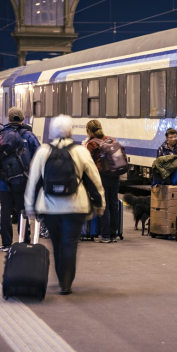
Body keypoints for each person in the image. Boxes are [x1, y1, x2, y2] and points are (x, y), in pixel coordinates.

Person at [25, 115, 105, 295]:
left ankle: (62, 276)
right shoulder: (80, 151)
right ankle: (66, 281)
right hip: (75, 207)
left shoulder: (43, 151)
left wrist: (30, 207)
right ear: (70, 131)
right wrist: (100, 203)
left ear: (52, 131)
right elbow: (94, 180)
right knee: (70, 244)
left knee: (56, 244)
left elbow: (34, 182)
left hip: (50, 207)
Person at [0, 107, 40, 251]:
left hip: (4, 181)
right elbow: (39, 157)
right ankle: (23, 242)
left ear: (8, 119)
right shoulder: (30, 136)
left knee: (5, 211)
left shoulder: (1, 135)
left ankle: (6, 244)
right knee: (23, 211)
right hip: (23, 181)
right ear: (23, 118)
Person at [85, 120, 125, 243]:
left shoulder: (91, 143)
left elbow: (89, 162)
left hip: (102, 176)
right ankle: (113, 235)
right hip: (115, 175)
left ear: (89, 131)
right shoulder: (111, 139)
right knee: (114, 204)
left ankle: (105, 235)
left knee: (104, 204)